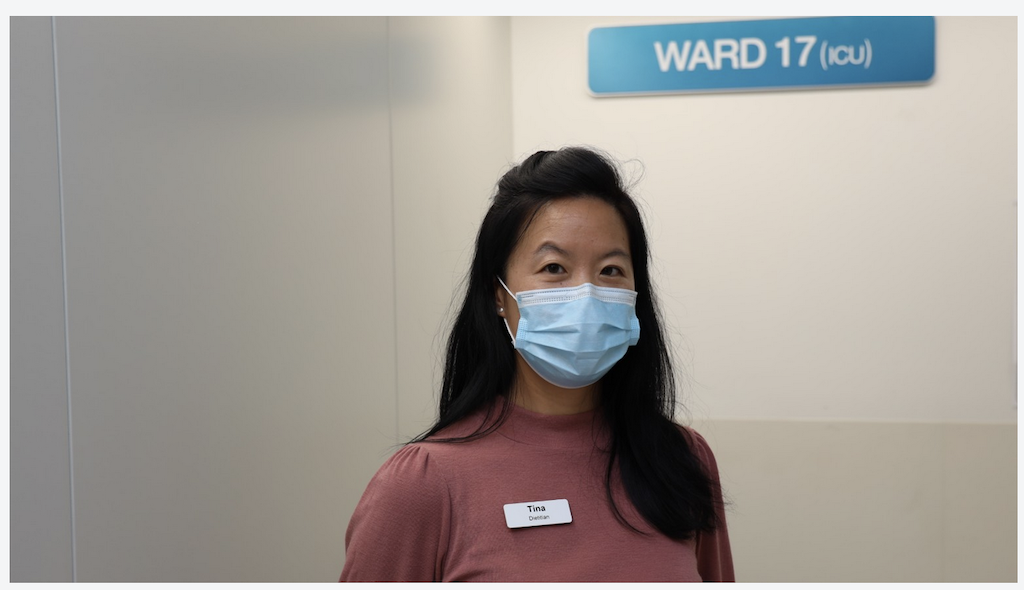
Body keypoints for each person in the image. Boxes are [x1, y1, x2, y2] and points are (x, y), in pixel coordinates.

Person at [340, 147, 733, 582]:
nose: (586, 293)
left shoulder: (681, 458)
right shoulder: (423, 485)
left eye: (611, 270)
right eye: (554, 267)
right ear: (498, 295)